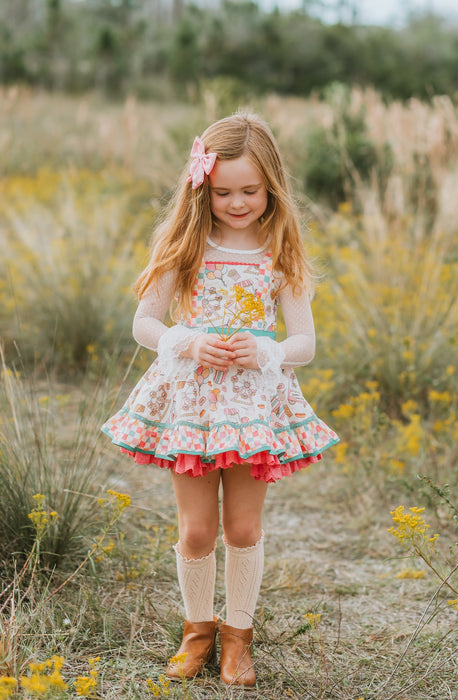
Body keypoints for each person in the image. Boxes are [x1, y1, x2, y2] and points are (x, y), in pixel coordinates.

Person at [101, 112, 339, 688]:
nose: (237, 203)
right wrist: (189, 341)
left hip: (254, 407)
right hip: (193, 404)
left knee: (243, 528)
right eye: (223, 192)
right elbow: (145, 325)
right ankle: (197, 633)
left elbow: (304, 343)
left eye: (250, 191)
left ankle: (238, 639)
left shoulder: (279, 250)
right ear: (202, 186)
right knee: (198, 530)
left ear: (271, 187)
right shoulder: (185, 244)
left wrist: (265, 351)